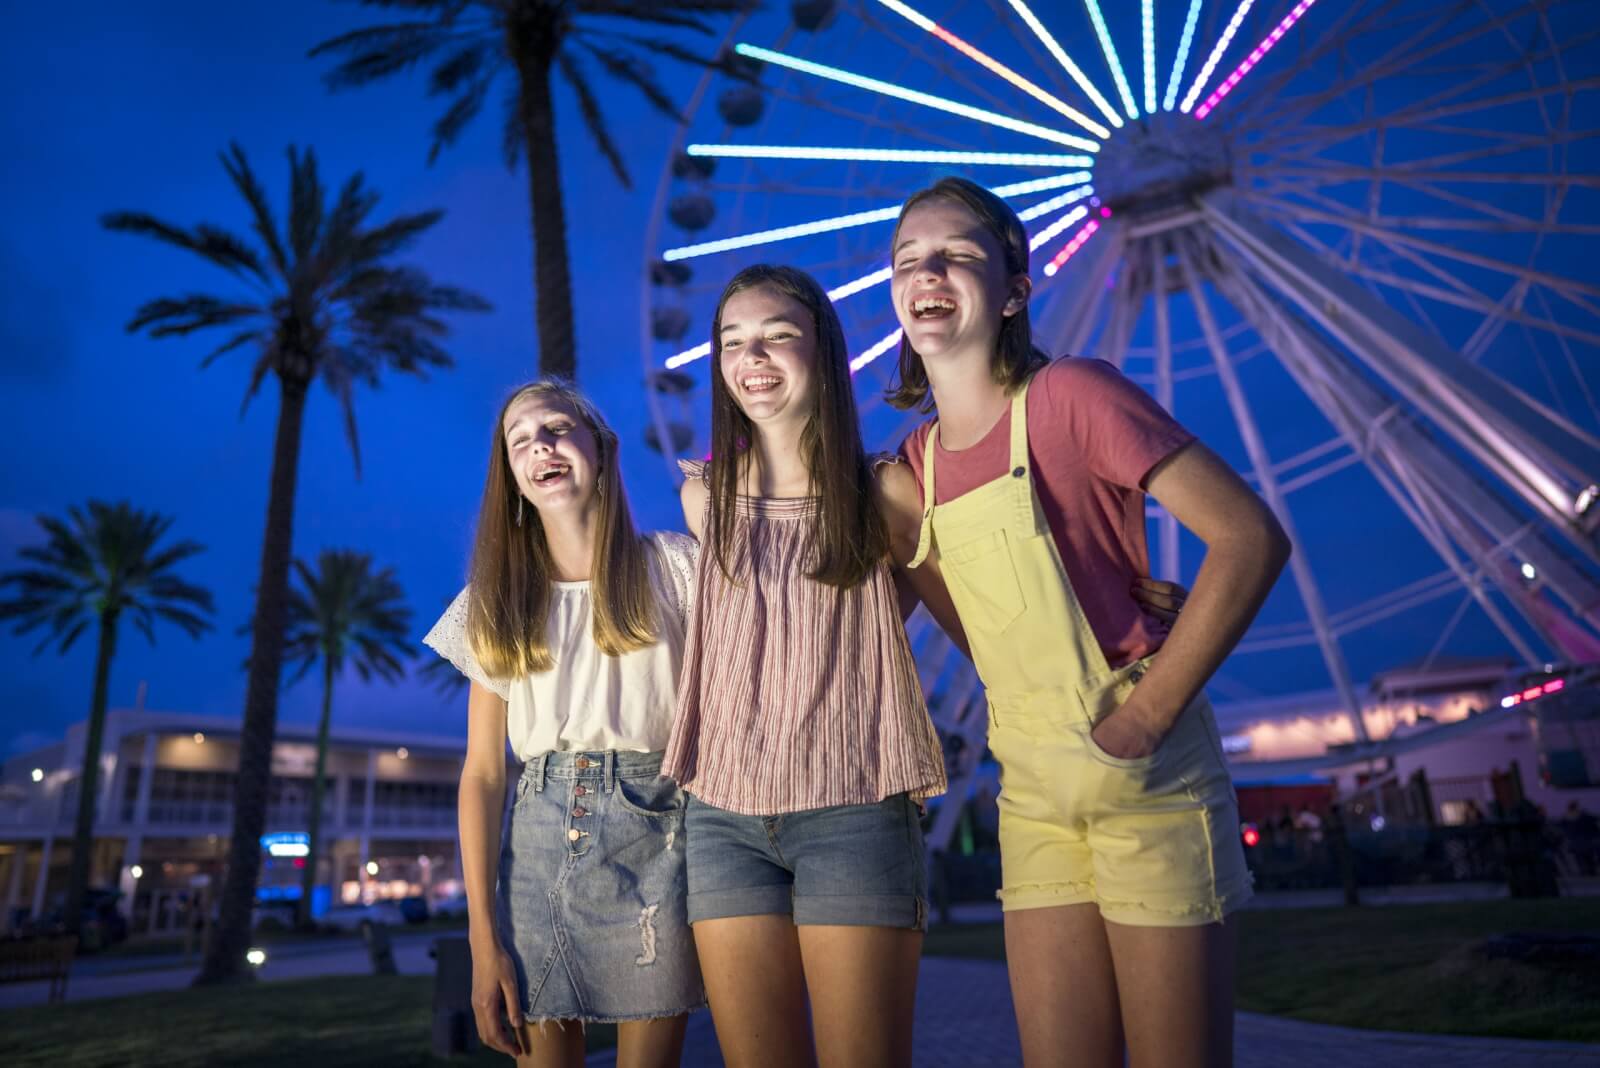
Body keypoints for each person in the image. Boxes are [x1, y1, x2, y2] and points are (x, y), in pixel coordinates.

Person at [889, 177, 1291, 1068]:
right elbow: (969, 625)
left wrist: (1144, 716)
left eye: (957, 254)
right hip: (1030, 786)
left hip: (1146, 772)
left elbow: (1249, 536)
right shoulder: (911, 470)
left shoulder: (1075, 397)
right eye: (910, 259)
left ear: (1016, 288)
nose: (930, 272)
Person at [663, 265, 950, 1068]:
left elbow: (970, 608)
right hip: (722, 812)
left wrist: (1116, 604)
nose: (752, 357)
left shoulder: (886, 490)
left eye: (777, 336)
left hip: (853, 802)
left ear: (822, 350)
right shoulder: (703, 499)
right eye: (733, 342)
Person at [424, 380, 702, 1066]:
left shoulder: (676, 568)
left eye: (555, 428)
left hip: (664, 840)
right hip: (540, 843)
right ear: (512, 477)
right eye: (520, 440)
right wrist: (482, 941)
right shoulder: (495, 599)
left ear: (601, 451)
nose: (539, 445)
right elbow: (485, 773)